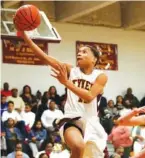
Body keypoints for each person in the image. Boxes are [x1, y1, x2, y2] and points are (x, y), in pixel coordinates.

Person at [14, 27, 108, 158]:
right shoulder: (71, 70)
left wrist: (66, 83)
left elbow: (89, 96)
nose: (79, 54)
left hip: (92, 123)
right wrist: (26, 39)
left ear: (94, 59)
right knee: (78, 145)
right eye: (79, 52)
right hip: (71, 118)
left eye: (84, 52)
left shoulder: (100, 76)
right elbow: (45, 57)